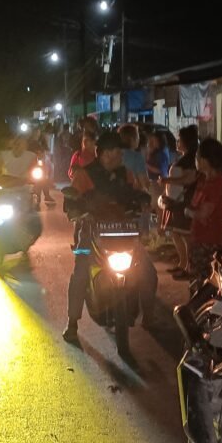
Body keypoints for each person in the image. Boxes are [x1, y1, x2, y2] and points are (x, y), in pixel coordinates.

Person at [62, 132, 157, 343]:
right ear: (105, 154)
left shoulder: (126, 174)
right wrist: (76, 209)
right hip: (90, 233)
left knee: (148, 272)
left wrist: (143, 200)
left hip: (124, 233)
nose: (121, 156)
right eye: (118, 152)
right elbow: (71, 202)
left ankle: (149, 316)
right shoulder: (84, 175)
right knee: (80, 274)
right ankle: (72, 323)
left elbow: (136, 192)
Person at [185, 138, 222, 283]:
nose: (195, 160)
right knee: (196, 281)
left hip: (208, 243)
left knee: (203, 284)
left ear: (205, 160)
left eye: (197, 156)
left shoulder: (216, 184)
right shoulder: (204, 180)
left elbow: (203, 214)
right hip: (199, 238)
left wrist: (187, 212)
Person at [160, 125, 199, 279]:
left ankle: (189, 266)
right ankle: (183, 264)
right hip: (175, 201)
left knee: (184, 234)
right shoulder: (184, 158)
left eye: (179, 140)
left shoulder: (190, 160)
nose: (177, 142)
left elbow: (189, 179)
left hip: (182, 201)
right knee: (176, 233)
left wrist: (167, 180)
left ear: (186, 142)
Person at [118, 124, 150, 192]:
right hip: (133, 193)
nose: (139, 139)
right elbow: (144, 182)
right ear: (132, 139)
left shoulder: (115, 154)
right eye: (138, 136)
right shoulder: (137, 156)